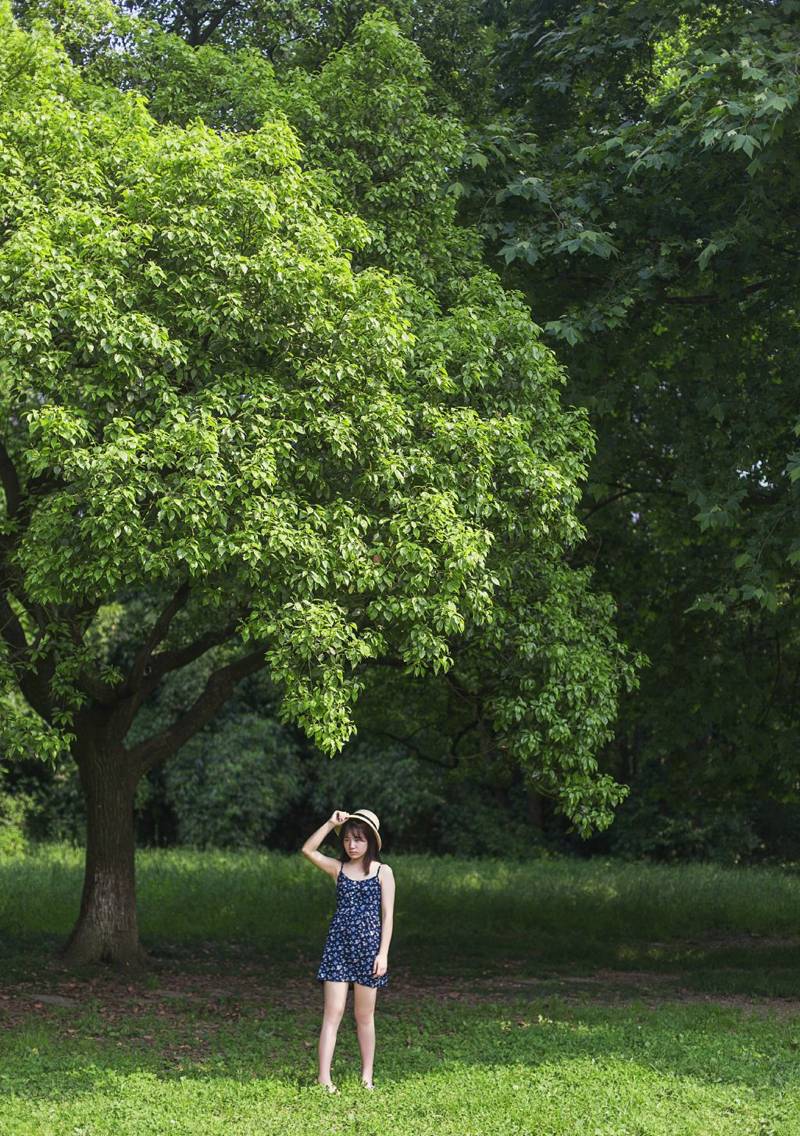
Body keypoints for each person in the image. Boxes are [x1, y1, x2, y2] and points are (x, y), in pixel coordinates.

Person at [301, 808, 395, 1093]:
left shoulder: (383, 872)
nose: (352, 845)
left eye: (359, 840)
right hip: (338, 950)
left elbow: (388, 916)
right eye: (347, 840)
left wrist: (383, 954)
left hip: (369, 953)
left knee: (364, 1016)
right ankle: (324, 1079)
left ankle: (367, 1077)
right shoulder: (338, 869)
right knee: (333, 1012)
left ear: (371, 842)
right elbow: (307, 850)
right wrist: (331, 823)